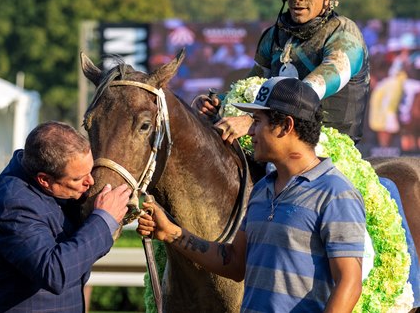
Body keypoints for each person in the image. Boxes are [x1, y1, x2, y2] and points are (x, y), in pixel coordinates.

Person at [138, 77, 366, 313]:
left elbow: (349, 283)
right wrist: (172, 233)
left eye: (257, 122)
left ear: (286, 126)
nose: (251, 132)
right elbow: (235, 262)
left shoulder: (336, 193)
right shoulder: (262, 190)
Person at [196, 0, 370, 145]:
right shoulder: (274, 35)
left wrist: (252, 121)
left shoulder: (345, 34)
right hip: (278, 141)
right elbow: (251, 86)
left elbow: (307, 92)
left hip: (328, 151)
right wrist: (218, 103)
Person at [0, 121, 132, 312]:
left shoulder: (46, 182)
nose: (90, 182)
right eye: (77, 178)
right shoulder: (13, 204)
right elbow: (55, 272)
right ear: (44, 179)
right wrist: (104, 219)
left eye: (89, 171)